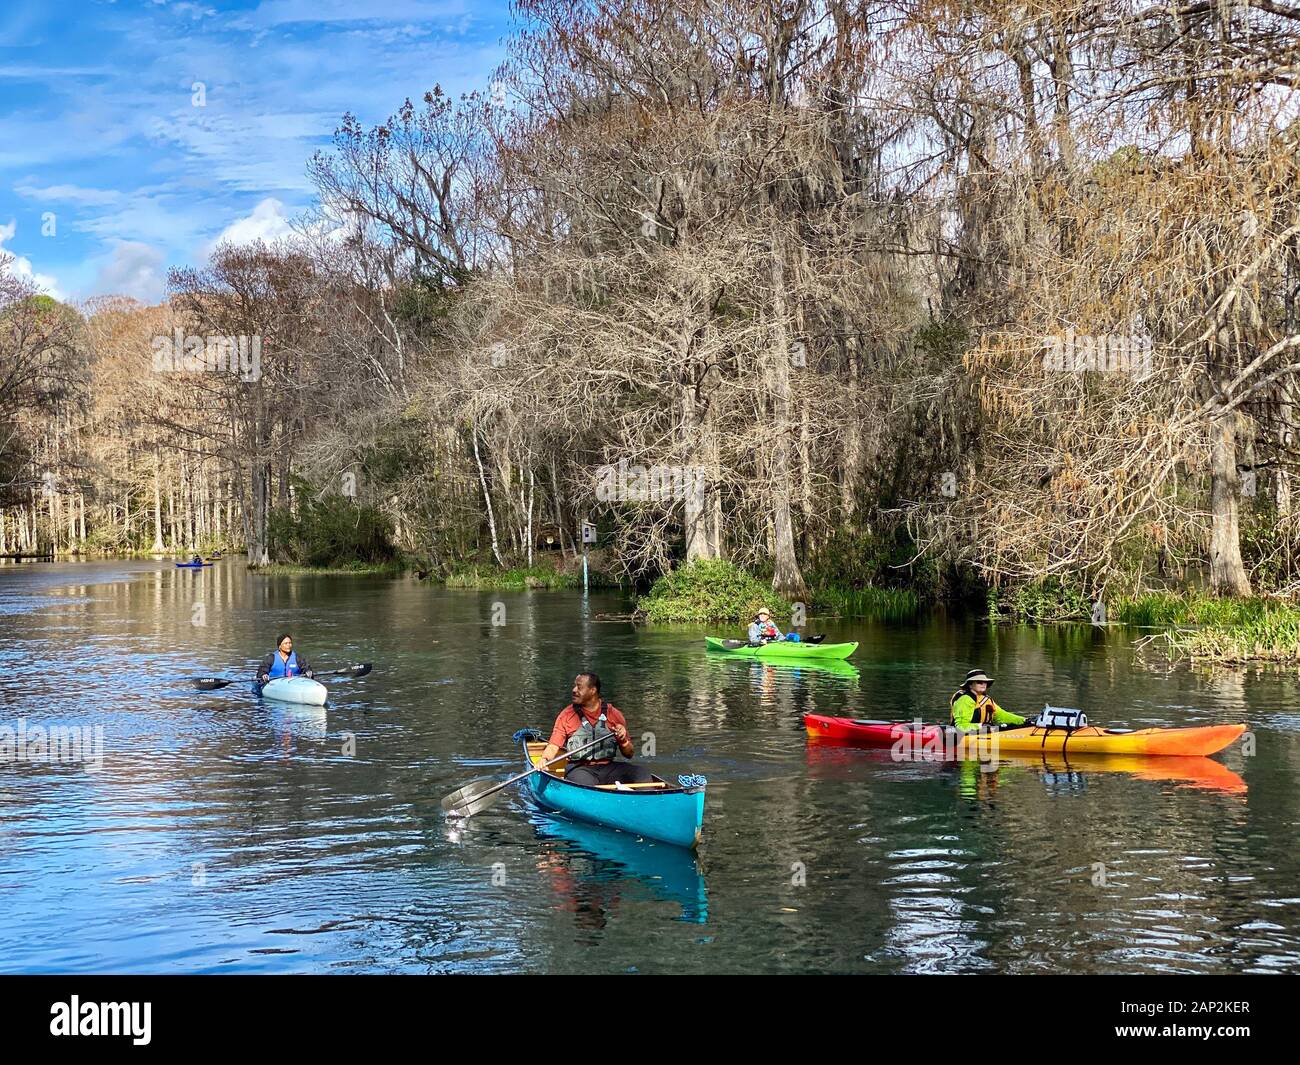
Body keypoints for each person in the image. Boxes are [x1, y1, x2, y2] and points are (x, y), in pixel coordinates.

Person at [536, 672, 654, 788]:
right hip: (579, 769)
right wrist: (544, 759)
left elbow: (629, 754)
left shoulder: (614, 714)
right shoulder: (567, 715)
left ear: (592, 691)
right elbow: (553, 746)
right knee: (587, 785)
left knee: (641, 773)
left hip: (608, 768)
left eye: (579, 687)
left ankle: (648, 801)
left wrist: (623, 740)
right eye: (575, 685)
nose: (574, 690)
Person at [949, 669, 1026, 730]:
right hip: (963, 736)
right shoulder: (965, 699)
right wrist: (981, 727)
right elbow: (961, 726)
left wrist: (1024, 720)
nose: (983, 684)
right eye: (979, 682)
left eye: (985, 682)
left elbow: (1001, 715)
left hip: (985, 732)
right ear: (970, 685)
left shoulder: (987, 700)